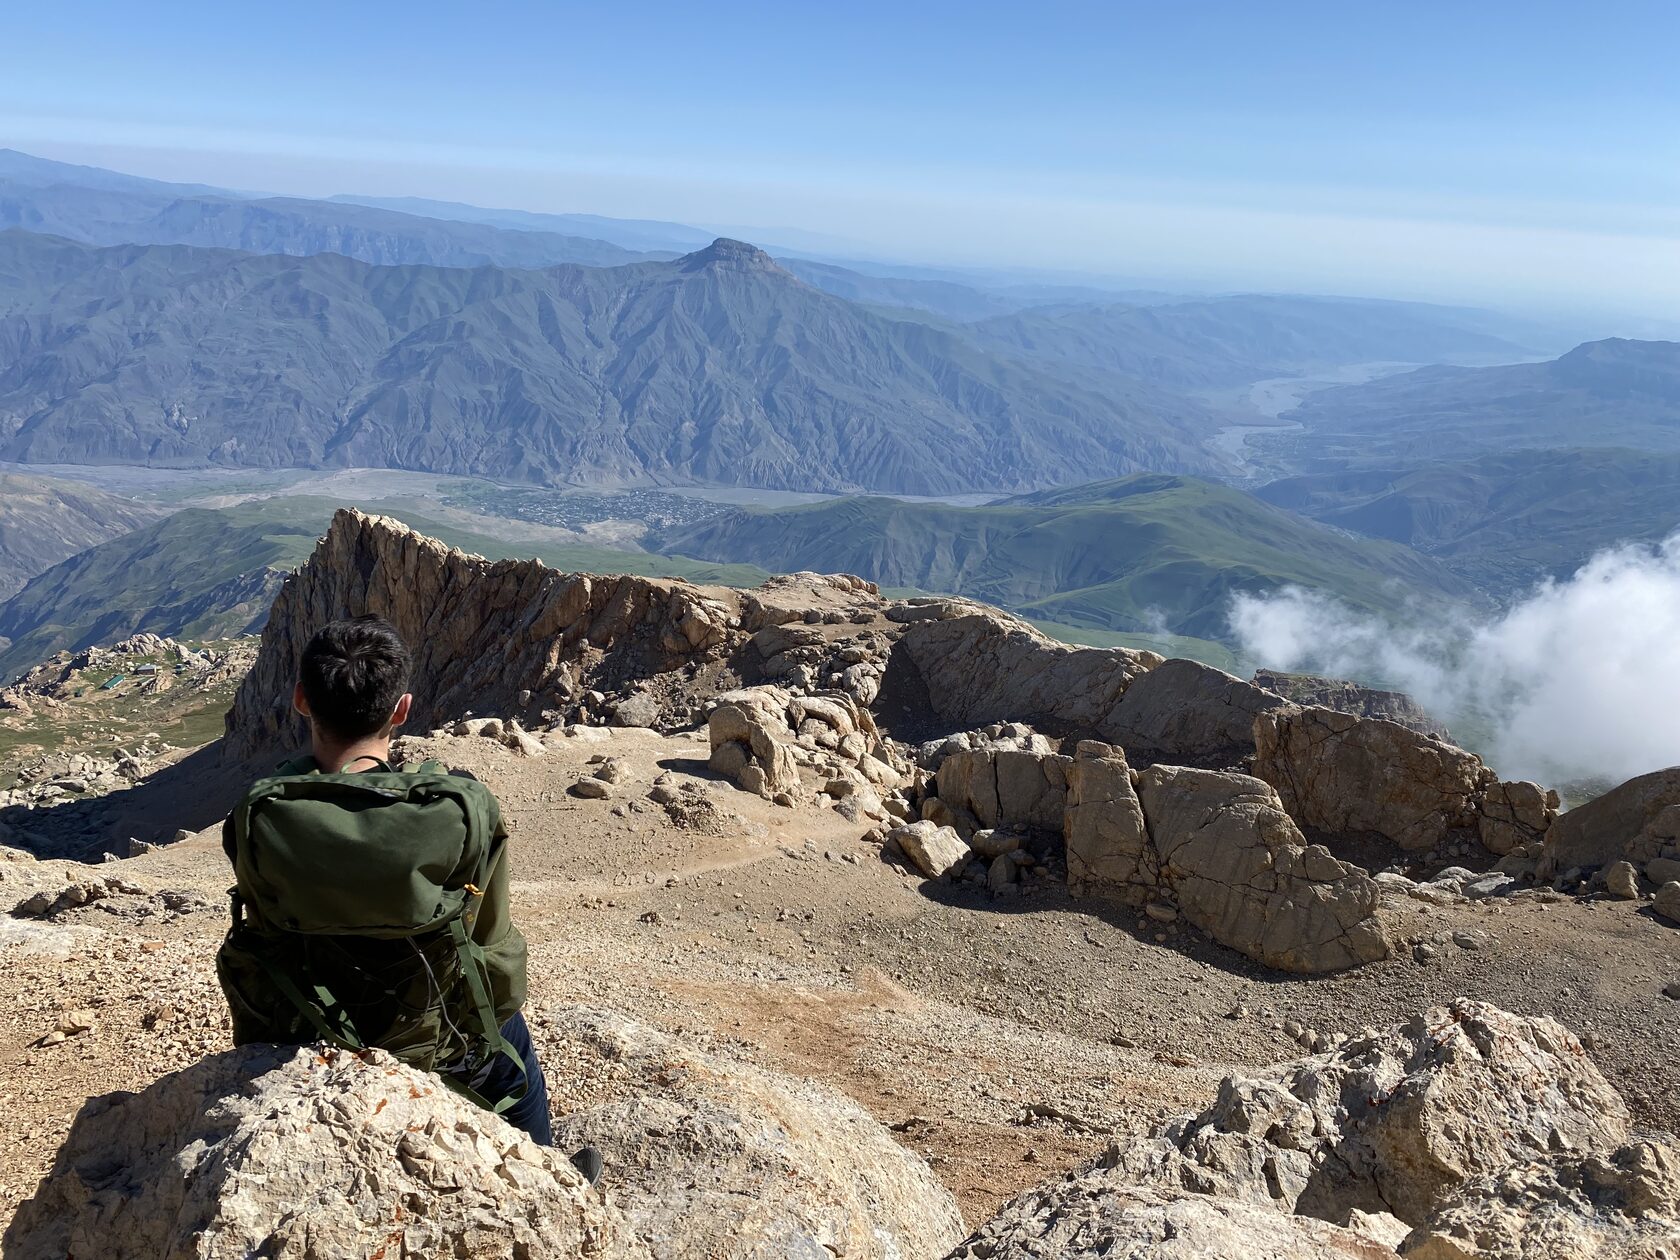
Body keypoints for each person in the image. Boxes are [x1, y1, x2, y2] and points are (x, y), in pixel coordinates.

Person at [215, 614, 599, 1183]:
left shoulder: (260, 814)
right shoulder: (459, 809)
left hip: (298, 1029)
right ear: (401, 709)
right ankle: (545, 1181)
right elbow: (492, 947)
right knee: (513, 1052)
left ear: (301, 700)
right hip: (435, 1038)